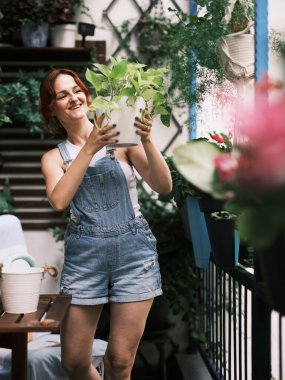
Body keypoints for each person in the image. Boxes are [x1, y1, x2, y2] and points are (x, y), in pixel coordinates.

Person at [39, 67, 172, 380]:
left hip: (133, 253)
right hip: (85, 259)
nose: (73, 97)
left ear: (87, 95)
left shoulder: (122, 138)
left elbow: (163, 186)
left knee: (120, 362)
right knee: (72, 361)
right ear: (51, 107)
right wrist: (89, 148)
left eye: (77, 90)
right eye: (62, 94)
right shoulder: (54, 158)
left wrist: (148, 141)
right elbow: (59, 201)